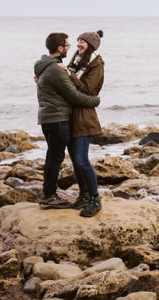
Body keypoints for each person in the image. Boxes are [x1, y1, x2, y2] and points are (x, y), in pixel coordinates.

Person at [35, 32, 100, 209]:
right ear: (60, 48)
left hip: (52, 119)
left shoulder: (45, 66)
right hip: (57, 120)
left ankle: (83, 195)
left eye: (80, 43)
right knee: (57, 159)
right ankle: (49, 196)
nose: (72, 47)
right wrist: (96, 101)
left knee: (59, 157)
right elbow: (74, 96)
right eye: (69, 45)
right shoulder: (57, 69)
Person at [66, 29, 105, 217]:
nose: (78, 44)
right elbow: (67, 81)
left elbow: (89, 90)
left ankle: (95, 199)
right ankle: (83, 195)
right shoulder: (77, 61)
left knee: (82, 160)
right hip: (72, 115)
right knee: (75, 159)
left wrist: (69, 75)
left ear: (91, 46)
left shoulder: (96, 65)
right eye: (78, 40)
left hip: (84, 116)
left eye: (82, 41)